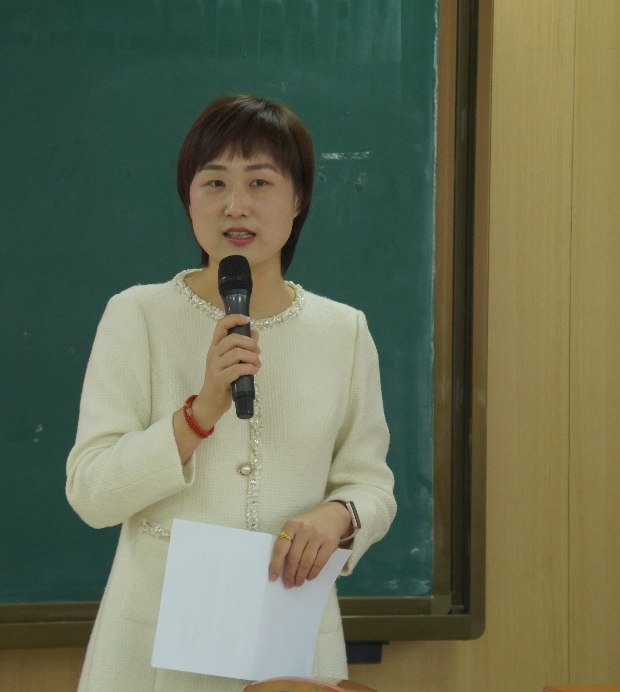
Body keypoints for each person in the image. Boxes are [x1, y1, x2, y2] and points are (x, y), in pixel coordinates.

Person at [66, 94, 396, 691]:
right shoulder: (138, 315)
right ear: (188, 199)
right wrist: (199, 414)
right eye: (214, 182)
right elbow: (92, 493)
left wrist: (341, 515)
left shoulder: (343, 331)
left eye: (260, 182)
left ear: (298, 200)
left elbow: (371, 485)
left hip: (291, 634)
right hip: (155, 644)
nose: (235, 204)